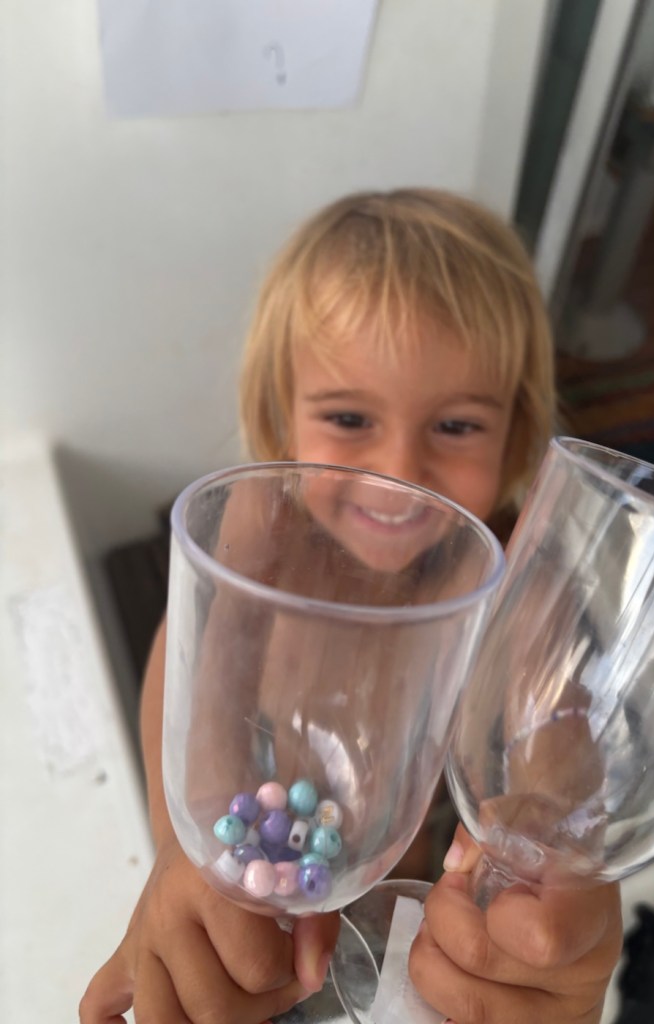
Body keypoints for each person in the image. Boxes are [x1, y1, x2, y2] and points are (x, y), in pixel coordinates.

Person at [80, 188, 623, 1024]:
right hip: (255, 838)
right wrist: (187, 847)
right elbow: (192, 672)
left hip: (403, 880)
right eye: (347, 417)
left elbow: (561, 752)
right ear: (282, 415)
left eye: (455, 426)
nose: (397, 472)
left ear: (514, 431)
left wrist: (551, 857)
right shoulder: (265, 530)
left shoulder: (523, 583)